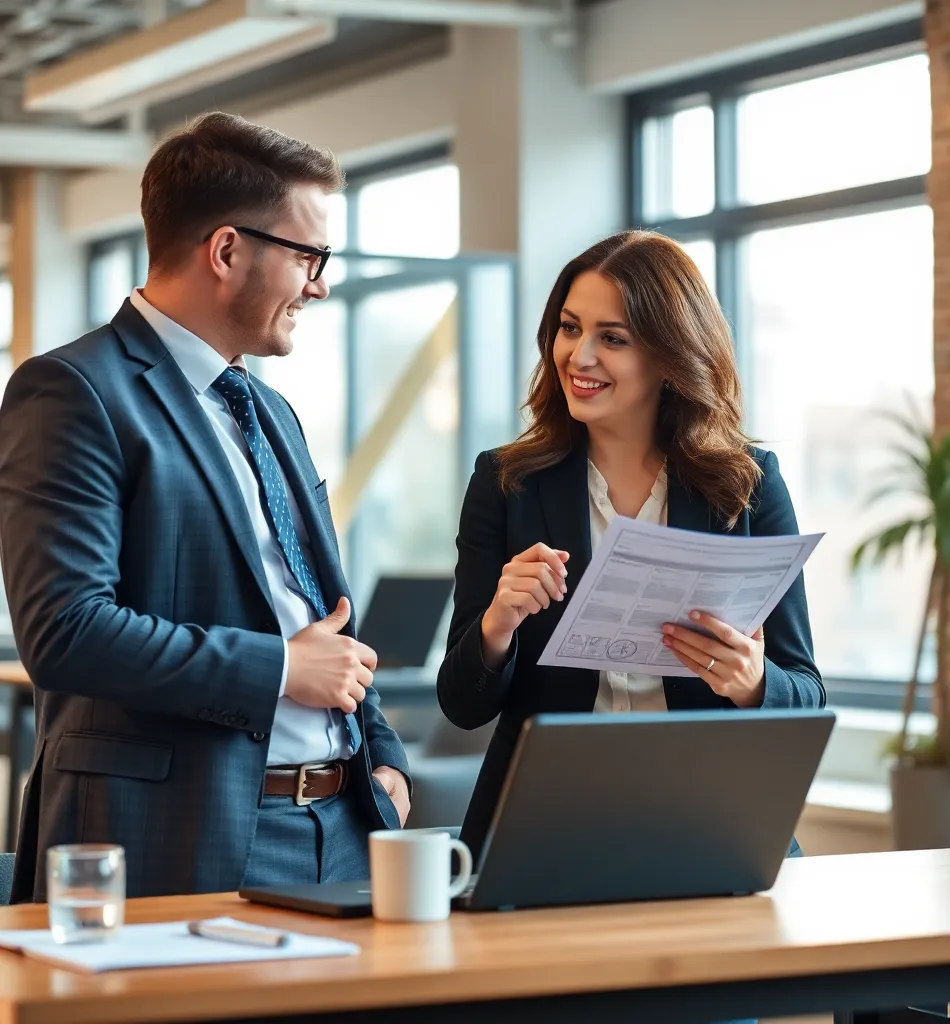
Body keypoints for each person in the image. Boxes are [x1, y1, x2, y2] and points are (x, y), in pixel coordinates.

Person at [0, 112, 410, 903]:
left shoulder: (268, 409)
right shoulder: (74, 392)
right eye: (309, 255)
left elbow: (321, 610)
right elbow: (67, 630)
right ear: (226, 250)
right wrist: (283, 668)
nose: (322, 282)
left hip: (346, 829)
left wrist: (383, 756)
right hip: (185, 832)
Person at [438, 230, 825, 860]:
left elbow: (806, 693)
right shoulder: (506, 483)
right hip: (543, 827)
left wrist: (753, 682)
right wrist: (497, 625)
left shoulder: (746, 484)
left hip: (714, 824)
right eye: (569, 328)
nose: (578, 355)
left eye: (612, 338)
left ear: (670, 355)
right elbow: (460, 705)